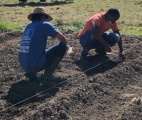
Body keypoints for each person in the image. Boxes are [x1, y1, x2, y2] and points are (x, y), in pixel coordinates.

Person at [18, 6, 68, 82]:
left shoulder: (28, 26)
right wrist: (67, 48)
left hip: (24, 65)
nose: (47, 20)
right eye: (46, 18)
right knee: (62, 46)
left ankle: (31, 73)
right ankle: (48, 75)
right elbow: (63, 39)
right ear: (42, 17)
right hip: (35, 65)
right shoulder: (45, 24)